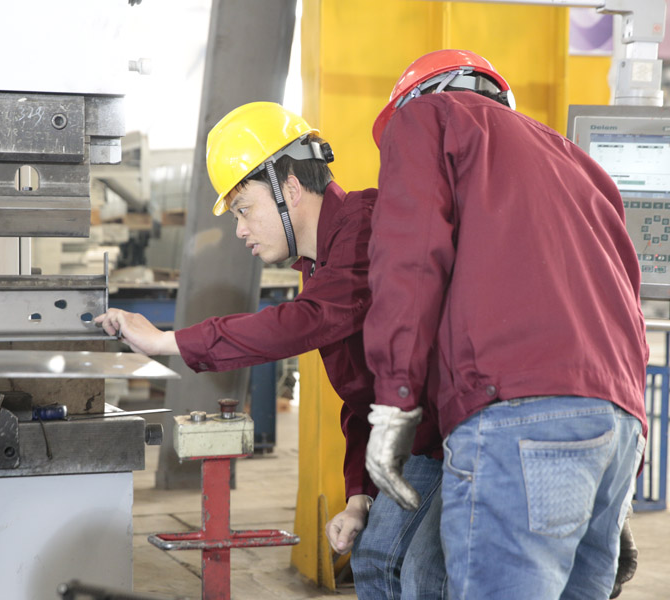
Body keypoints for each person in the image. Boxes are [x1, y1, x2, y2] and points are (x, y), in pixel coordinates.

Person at [93, 102, 443, 592]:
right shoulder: (320, 266)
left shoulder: (368, 229)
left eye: (244, 209)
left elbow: (301, 322)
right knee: (376, 558)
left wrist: (167, 340)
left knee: (425, 573)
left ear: (290, 190)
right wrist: (359, 496)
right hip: (419, 441)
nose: (239, 229)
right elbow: (363, 396)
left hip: (457, 432)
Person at [362, 48, 648, 600]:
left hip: (518, 418)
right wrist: (624, 474)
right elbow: (625, 305)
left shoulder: (426, 117)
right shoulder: (580, 164)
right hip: (617, 431)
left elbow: (410, 261)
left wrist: (394, 403)